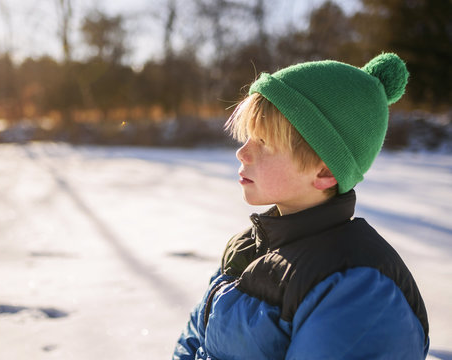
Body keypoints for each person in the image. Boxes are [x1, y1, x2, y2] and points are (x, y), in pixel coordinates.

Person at [172, 53, 429, 360]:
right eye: (248, 137)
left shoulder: (358, 285)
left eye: (264, 142)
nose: (242, 152)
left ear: (324, 172)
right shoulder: (245, 248)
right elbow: (193, 342)